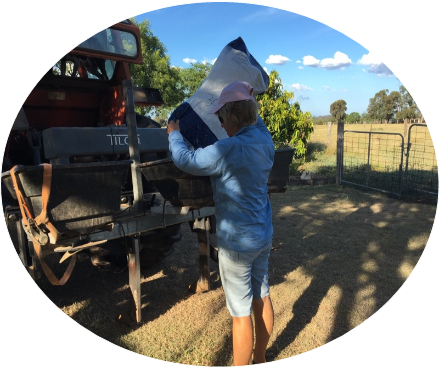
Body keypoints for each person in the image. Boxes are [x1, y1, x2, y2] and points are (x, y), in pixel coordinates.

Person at [167, 80, 275, 366]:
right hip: (262, 236)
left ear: (232, 117)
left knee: (240, 313)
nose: (221, 123)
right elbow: (254, 118)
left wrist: (174, 134)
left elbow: (185, 159)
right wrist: (247, 98)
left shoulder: (226, 150)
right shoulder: (265, 141)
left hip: (237, 243)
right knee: (262, 295)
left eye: (221, 117)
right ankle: (261, 357)